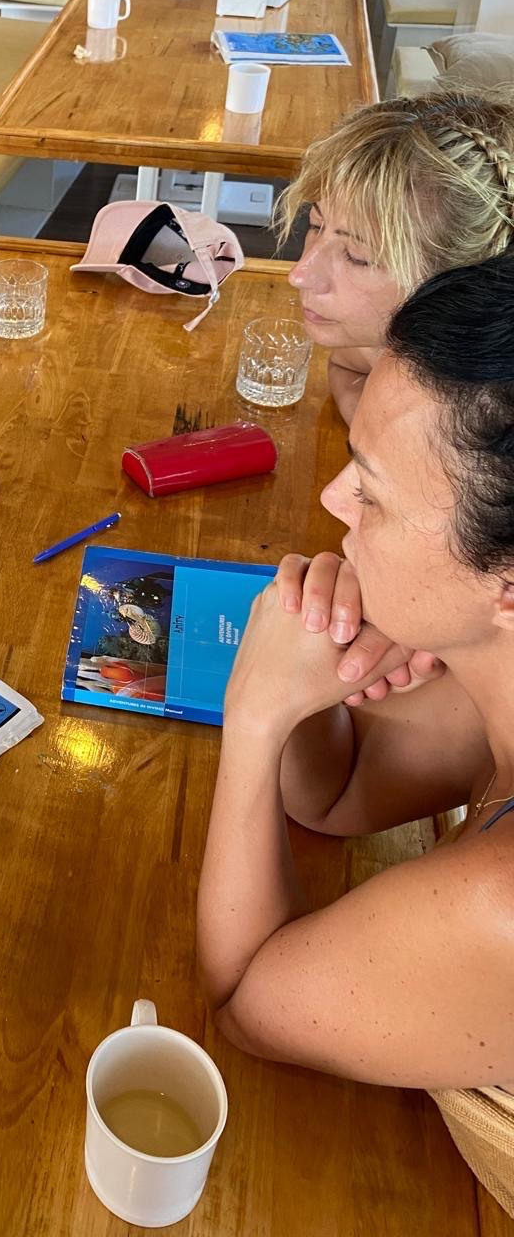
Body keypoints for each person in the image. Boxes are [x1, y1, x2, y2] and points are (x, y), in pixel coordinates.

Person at [196, 252, 514, 1214]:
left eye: (371, 492)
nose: (335, 502)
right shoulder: (493, 660)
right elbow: (341, 792)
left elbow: (247, 1003)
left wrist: (256, 714)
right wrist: (317, 686)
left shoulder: (501, 909)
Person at [276, 88, 514, 422]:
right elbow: (346, 364)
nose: (299, 275)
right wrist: (368, 427)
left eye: (357, 256)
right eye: (316, 224)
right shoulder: (385, 345)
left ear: (463, 281)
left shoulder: (487, 422)